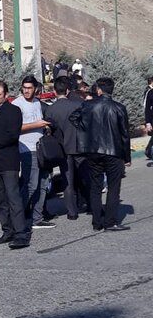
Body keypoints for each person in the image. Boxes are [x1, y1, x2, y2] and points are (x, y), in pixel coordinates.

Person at [70, 77, 131, 232]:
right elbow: (125, 134)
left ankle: (97, 222)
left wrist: (86, 130)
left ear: (99, 90)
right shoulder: (119, 107)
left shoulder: (88, 105)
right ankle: (110, 222)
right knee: (113, 187)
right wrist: (127, 157)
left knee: (95, 187)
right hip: (113, 152)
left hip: (93, 151)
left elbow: (73, 118)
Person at [0, 80, 30, 249]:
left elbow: (12, 135)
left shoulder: (13, 111)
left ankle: (21, 234)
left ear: (6, 95)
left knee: (13, 198)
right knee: (0, 199)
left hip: (8, 161)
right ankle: (7, 230)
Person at [44, 77, 90, 220]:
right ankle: (91, 205)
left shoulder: (50, 110)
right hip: (79, 147)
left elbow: (49, 131)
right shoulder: (77, 106)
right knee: (85, 177)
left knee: (67, 180)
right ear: (68, 90)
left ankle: (72, 212)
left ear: (54, 91)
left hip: (62, 149)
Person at [13, 75, 55, 230]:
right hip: (26, 150)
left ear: (35, 89)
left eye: (30, 88)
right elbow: (16, 128)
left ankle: (38, 218)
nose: (26, 91)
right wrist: (37, 124)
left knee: (43, 183)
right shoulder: (17, 104)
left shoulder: (37, 103)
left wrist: (45, 128)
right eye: (24, 88)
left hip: (41, 149)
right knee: (31, 185)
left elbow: (40, 124)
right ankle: (18, 219)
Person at [144, 76, 153, 159]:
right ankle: (148, 150)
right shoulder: (149, 92)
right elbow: (146, 107)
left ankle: (148, 150)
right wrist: (148, 122)